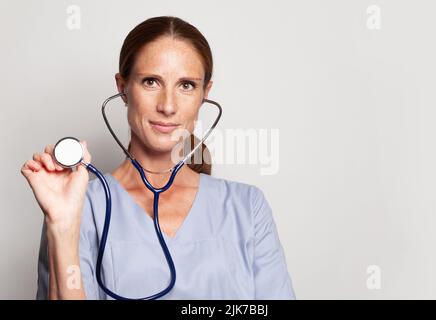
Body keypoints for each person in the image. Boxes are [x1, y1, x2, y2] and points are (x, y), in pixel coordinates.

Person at [20, 16, 296, 300]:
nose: (167, 106)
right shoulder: (80, 206)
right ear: (123, 87)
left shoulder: (247, 208)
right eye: (151, 82)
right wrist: (63, 226)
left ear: (205, 94)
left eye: (186, 85)